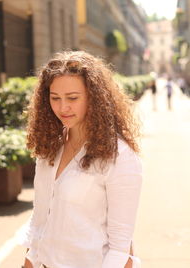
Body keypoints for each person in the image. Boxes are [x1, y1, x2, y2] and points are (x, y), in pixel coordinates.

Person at [20, 51, 142, 268]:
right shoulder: (50, 146)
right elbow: (39, 222)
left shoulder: (119, 157)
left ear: (94, 98)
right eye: (55, 98)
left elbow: (120, 249)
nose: (62, 107)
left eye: (72, 98)